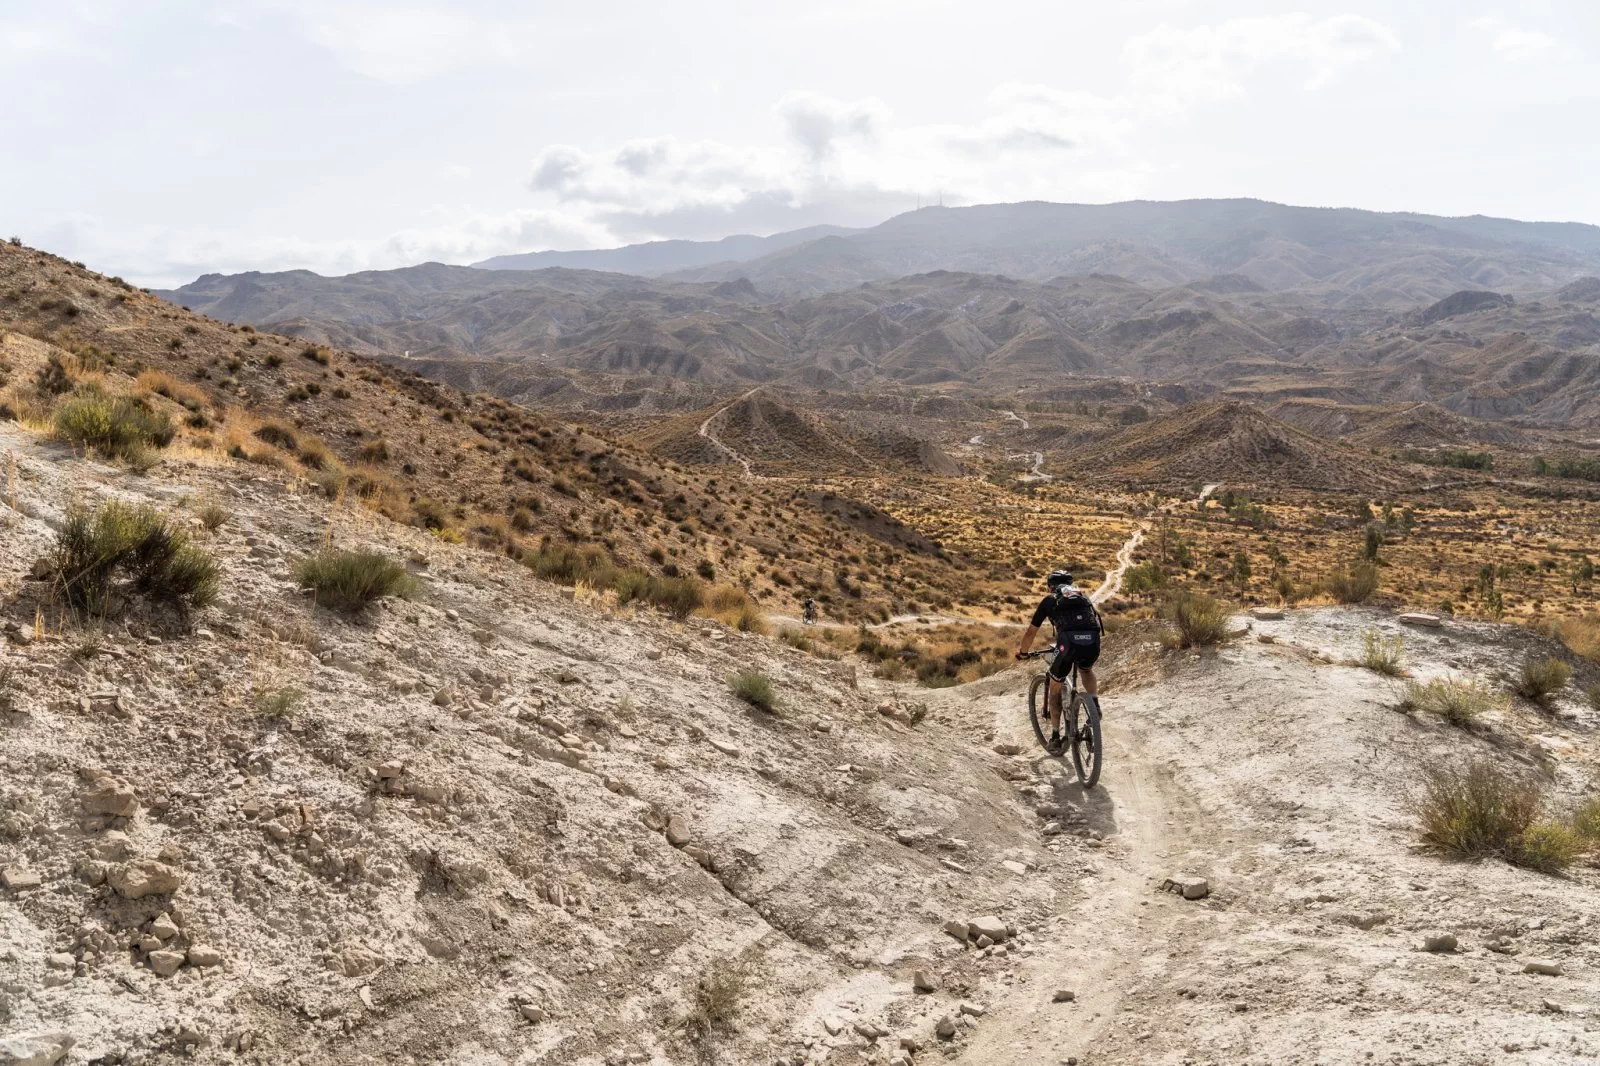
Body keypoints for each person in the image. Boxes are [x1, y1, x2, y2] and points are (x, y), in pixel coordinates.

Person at [1015, 569, 1103, 754]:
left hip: (1068, 644)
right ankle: (1094, 704)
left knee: (1055, 685)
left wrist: (1023, 652)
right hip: (1092, 641)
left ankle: (1055, 736)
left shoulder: (1049, 600)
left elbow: (1031, 632)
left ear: (1050, 586)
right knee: (1085, 669)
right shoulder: (1083, 597)